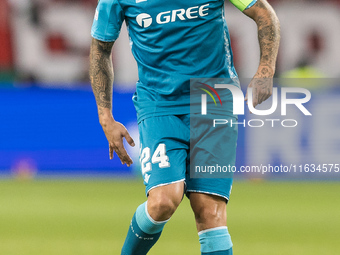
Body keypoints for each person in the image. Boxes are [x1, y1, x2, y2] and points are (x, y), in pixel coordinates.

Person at [89, 0, 280, 254]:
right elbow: (100, 49)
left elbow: (265, 14)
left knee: (210, 212)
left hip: (214, 100)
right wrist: (106, 117)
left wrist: (265, 71)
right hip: (159, 104)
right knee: (163, 201)